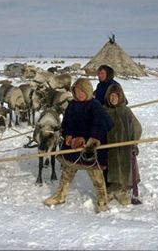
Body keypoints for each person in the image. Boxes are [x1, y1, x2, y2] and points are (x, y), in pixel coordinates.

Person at [44, 78, 114, 213]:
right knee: (67, 173)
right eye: (76, 91)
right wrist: (68, 135)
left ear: (87, 91)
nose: (79, 94)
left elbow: (104, 123)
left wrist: (88, 139)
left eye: (82, 91)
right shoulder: (72, 105)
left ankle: (102, 201)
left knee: (97, 177)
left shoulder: (95, 105)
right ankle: (60, 196)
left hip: (90, 148)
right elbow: (67, 123)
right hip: (73, 147)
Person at [104, 84, 142, 205]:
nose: (113, 98)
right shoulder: (104, 111)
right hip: (108, 147)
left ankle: (123, 190)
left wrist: (133, 142)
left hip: (124, 147)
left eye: (116, 96)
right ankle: (110, 189)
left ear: (120, 97)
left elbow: (137, 127)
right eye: (111, 96)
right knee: (110, 168)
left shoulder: (126, 111)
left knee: (124, 168)